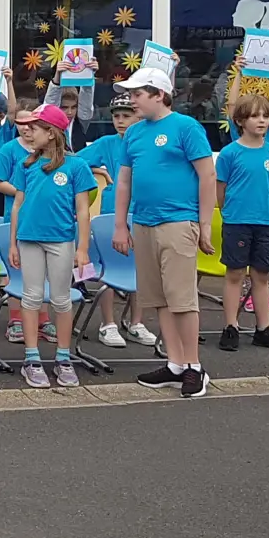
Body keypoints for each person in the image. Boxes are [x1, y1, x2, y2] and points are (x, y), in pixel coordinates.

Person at [111, 67, 216, 399]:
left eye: (138, 94)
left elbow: (207, 176)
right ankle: (174, 364)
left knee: (182, 299)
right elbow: (124, 180)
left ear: (159, 94)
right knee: (157, 298)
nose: (132, 101)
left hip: (177, 222)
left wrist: (204, 225)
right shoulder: (135, 133)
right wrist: (120, 224)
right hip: (143, 223)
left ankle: (194, 368)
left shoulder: (187, 127)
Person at [9, 103, 96, 388]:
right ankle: (31, 358)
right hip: (29, 239)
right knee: (31, 296)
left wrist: (82, 248)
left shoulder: (76, 166)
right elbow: (17, 205)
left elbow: (83, 210)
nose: (28, 132)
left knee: (61, 298)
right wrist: (12, 242)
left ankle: (63, 356)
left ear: (52, 132)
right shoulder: (27, 164)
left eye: (34, 128)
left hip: (61, 240)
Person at [216, 95, 269, 352]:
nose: (261, 121)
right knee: (235, 273)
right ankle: (231, 326)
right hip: (237, 221)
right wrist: (228, 212)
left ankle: (263, 328)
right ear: (240, 121)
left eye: (265, 116)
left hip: (266, 222)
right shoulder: (230, 153)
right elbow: (221, 189)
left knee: (261, 275)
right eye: (254, 116)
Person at [79, 93, 155, 348]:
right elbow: (74, 160)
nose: (120, 121)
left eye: (127, 115)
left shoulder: (148, 140)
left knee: (140, 268)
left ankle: (136, 322)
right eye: (116, 116)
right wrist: (98, 169)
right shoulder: (107, 143)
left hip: (143, 210)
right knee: (108, 269)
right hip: (113, 212)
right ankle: (108, 323)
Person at [0, 106, 53, 344]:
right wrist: (24, 193)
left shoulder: (49, 152)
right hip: (16, 220)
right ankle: (16, 320)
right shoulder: (8, 150)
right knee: (18, 271)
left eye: (32, 125)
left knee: (42, 272)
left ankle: (43, 319)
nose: (27, 129)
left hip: (45, 223)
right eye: (22, 124)